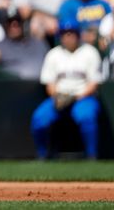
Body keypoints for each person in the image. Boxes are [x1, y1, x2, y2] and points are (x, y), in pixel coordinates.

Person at [31, 21, 102, 160]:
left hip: (83, 97)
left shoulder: (89, 52)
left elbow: (94, 83)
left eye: (71, 33)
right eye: (65, 34)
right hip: (59, 97)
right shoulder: (54, 54)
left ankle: (92, 155)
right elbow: (49, 85)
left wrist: (75, 97)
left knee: (86, 116)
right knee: (39, 118)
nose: (68, 37)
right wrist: (59, 96)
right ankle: (42, 155)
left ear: (78, 34)